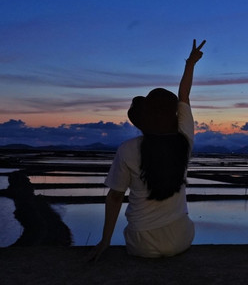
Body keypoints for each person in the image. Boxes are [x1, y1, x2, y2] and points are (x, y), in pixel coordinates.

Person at [86, 39, 206, 261]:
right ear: (173, 118)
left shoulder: (128, 149)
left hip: (141, 243)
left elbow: (115, 197)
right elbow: (184, 97)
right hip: (180, 238)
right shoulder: (184, 141)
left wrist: (105, 241)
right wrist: (190, 64)